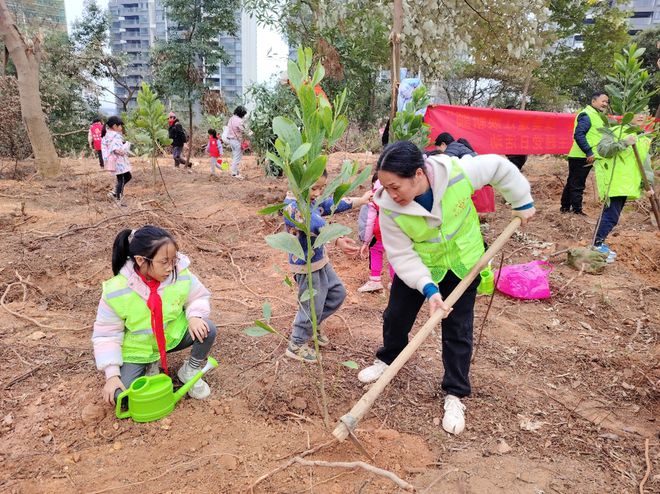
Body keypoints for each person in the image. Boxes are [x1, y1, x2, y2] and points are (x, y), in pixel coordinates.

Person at [358, 140, 535, 435]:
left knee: (458, 330)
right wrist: (428, 288)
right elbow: (401, 253)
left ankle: (455, 393)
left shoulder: (457, 172)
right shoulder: (388, 206)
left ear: (417, 174)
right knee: (396, 316)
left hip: (463, 265)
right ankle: (387, 359)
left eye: (395, 186)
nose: (390, 194)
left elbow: (499, 167)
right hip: (421, 267)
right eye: (385, 186)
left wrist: (522, 202)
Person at [92, 225, 217, 405]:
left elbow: (198, 297)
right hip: (139, 349)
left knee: (208, 329)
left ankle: (190, 371)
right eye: (164, 262)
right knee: (122, 397)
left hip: (170, 336)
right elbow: (106, 334)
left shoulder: (179, 274)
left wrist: (194, 317)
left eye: (173, 260)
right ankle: (148, 364)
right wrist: (111, 375)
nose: (170, 267)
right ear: (141, 260)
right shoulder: (116, 290)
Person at [283, 171, 372, 363]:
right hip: (305, 265)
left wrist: (361, 200)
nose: (318, 193)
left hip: (320, 261)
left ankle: (311, 326)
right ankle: (297, 342)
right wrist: (337, 238)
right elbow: (315, 223)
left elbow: (331, 204)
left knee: (336, 293)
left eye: (321, 188)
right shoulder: (292, 207)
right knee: (311, 304)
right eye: (314, 188)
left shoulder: (311, 199)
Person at [593, 114, 655, 263]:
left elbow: (644, 164)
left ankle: (598, 243)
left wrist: (648, 185)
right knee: (611, 216)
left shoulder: (642, 138)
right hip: (613, 181)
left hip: (626, 185)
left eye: (643, 113)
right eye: (637, 113)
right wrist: (624, 142)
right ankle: (596, 246)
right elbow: (603, 150)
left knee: (611, 215)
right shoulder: (615, 131)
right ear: (627, 115)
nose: (641, 116)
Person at [560, 91, 609, 215]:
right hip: (581, 156)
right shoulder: (587, 114)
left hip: (583, 155)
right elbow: (579, 134)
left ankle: (565, 208)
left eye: (607, 102)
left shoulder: (597, 116)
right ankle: (577, 211)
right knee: (578, 184)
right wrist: (588, 152)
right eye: (602, 101)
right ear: (593, 101)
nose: (605, 104)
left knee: (572, 182)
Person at [358, 173, 395, 292]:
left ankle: (375, 280)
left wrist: (366, 241)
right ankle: (395, 282)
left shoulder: (374, 197)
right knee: (393, 255)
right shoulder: (399, 189)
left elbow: (368, 220)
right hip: (397, 232)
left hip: (380, 232)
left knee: (375, 250)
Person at [101, 116, 132, 205]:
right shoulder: (115, 136)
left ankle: (115, 193)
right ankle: (118, 200)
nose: (121, 128)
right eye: (120, 126)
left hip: (114, 161)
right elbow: (116, 150)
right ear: (115, 126)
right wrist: (125, 148)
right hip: (118, 161)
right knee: (121, 180)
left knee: (127, 177)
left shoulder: (108, 135)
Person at [504, 106, 528, 171]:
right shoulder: (503, 124)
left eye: (514, 112)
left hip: (521, 153)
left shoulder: (521, 123)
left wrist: (554, 117)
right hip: (512, 155)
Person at [226, 106, 248, 179]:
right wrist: (253, 133)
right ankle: (234, 173)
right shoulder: (239, 121)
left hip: (231, 140)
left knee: (235, 156)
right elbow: (245, 130)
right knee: (237, 157)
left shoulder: (231, 119)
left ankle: (236, 171)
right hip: (236, 141)